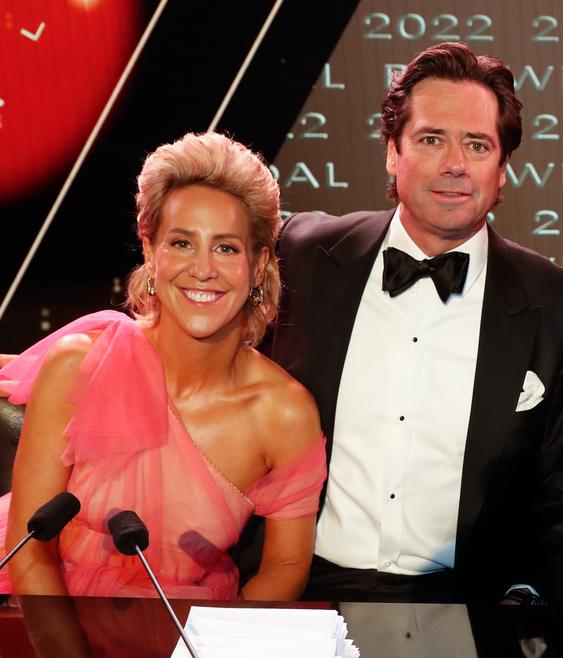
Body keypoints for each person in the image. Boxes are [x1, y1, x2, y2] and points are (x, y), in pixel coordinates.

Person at [270, 42, 563, 603]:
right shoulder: (301, 254)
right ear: (393, 152)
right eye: (431, 139)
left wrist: (526, 603)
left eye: (477, 144)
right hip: (302, 589)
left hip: (467, 605)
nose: (455, 165)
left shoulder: (559, 302)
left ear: (503, 168)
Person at [0, 132, 325, 600]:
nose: (203, 269)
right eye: (181, 243)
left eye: (226, 248)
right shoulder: (79, 367)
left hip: (191, 635)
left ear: (259, 264)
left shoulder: (285, 414)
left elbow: (287, 564)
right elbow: (30, 553)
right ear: (151, 253)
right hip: (54, 619)